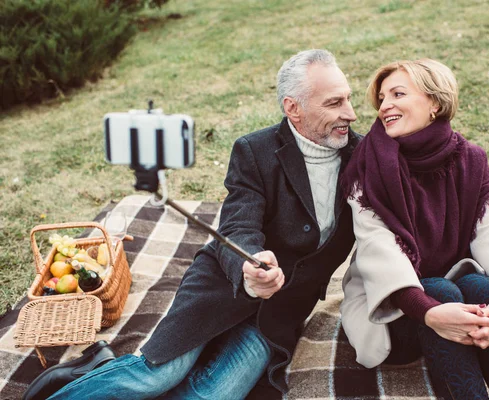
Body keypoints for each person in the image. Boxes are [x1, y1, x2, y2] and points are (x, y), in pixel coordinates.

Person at [25, 48, 360, 400]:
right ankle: (90, 370)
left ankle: (99, 368)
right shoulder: (253, 151)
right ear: (293, 107)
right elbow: (237, 226)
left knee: (208, 396)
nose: (350, 114)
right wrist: (249, 263)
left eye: (348, 99)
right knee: (157, 377)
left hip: (278, 313)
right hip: (221, 287)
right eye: (334, 103)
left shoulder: (363, 157)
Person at [339, 59, 489, 399]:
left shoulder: (470, 159)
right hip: (395, 307)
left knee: (481, 286)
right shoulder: (368, 165)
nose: (385, 105)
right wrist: (429, 311)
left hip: (455, 292)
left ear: (435, 102)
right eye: (382, 98)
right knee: (439, 290)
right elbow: (378, 248)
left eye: (398, 94)